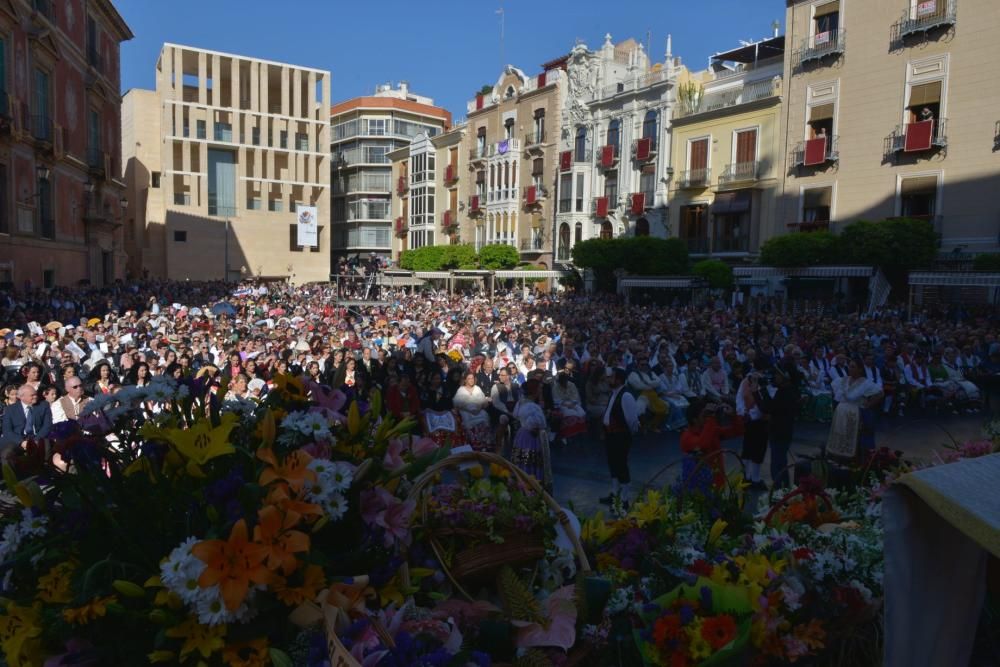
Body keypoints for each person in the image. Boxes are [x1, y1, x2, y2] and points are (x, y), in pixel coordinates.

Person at [826, 358, 883, 460]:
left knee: (852, 435)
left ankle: (852, 457)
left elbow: (880, 393)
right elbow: (834, 389)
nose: (850, 369)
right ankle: (837, 454)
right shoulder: (843, 380)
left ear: (860, 369)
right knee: (840, 433)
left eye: (853, 367)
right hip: (841, 412)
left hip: (854, 412)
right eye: (849, 366)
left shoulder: (865, 383)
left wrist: (868, 404)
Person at [679, 401, 743, 488]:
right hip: (698, 487)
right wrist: (711, 418)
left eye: (707, 415)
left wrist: (733, 416)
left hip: (718, 483)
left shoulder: (711, 429)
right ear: (694, 419)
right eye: (704, 416)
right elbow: (702, 445)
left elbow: (737, 431)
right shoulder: (687, 437)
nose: (707, 418)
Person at [601, 367, 639, 506]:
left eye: (611, 377)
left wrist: (626, 434)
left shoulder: (625, 395)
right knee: (613, 464)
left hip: (620, 436)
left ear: (618, 380)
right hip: (610, 435)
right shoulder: (614, 393)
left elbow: (632, 420)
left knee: (621, 466)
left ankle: (624, 498)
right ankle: (614, 493)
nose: (608, 379)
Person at [510, 379, 551, 488]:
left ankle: (522, 482)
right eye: (539, 390)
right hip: (531, 438)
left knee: (522, 461)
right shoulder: (533, 407)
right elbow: (539, 424)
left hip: (522, 435)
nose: (540, 392)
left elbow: (515, 415)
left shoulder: (521, 402)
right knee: (530, 461)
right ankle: (531, 485)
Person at [766, 367, 800, 488]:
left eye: (778, 375)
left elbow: (770, 408)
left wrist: (760, 392)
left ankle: (778, 490)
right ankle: (784, 488)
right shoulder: (788, 390)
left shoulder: (785, 392)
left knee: (777, 462)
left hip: (779, 431)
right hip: (784, 430)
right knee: (781, 461)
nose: (775, 377)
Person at [736, 373, 769, 490]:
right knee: (747, 448)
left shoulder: (765, 382)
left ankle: (755, 478)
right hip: (748, 420)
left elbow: (765, 404)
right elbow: (739, 397)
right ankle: (745, 476)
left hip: (761, 422)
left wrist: (753, 415)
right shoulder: (745, 381)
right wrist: (742, 411)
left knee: (758, 450)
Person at [0, 384, 52, 455]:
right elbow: (7, 430)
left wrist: (35, 440)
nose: (35, 397)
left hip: (38, 436)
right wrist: (21, 442)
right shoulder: (10, 409)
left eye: (35, 394)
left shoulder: (43, 405)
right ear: (22, 397)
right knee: (7, 454)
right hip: (17, 438)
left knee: (46, 450)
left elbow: (47, 426)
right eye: (32, 395)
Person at [453, 372, 492, 451]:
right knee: (467, 421)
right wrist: (469, 410)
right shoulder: (461, 390)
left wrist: (479, 408)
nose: (471, 380)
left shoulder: (477, 388)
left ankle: (484, 444)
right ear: (465, 380)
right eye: (469, 378)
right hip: (466, 412)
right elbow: (457, 404)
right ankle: (474, 444)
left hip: (479, 411)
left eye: (472, 378)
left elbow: (483, 401)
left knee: (484, 417)